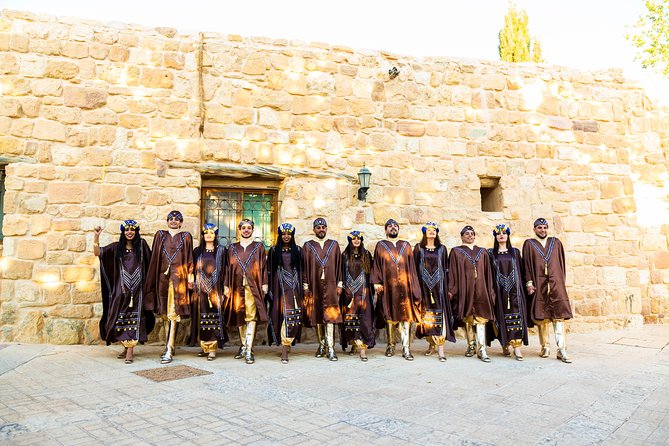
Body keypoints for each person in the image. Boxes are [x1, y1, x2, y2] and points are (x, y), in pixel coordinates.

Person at [94, 220, 153, 364]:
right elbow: (98, 253)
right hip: (121, 291)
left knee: (134, 318)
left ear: (136, 231)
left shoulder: (141, 245)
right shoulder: (116, 248)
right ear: (123, 232)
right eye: (126, 230)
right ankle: (126, 347)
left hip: (138, 291)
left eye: (132, 230)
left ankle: (130, 351)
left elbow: (151, 262)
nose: (129, 232)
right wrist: (96, 236)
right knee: (120, 318)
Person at [145, 210, 194, 364]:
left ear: (180, 222)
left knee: (174, 312)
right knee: (164, 313)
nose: (173, 221)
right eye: (170, 219)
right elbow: (154, 258)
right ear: (167, 221)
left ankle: (169, 347)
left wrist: (190, 276)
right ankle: (170, 345)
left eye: (176, 219)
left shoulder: (185, 236)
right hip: (162, 279)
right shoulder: (160, 235)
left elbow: (189, 257)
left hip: (178, 280)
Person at [522, 218, 573, 363]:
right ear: (534, 229)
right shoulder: (529, 244)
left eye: (545, 227)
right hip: (539, 284)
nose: (542, 230)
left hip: (556, 284)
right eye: (539, 228)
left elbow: (561, 263)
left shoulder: (556, 243)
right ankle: (545, 346)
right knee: (542, 317)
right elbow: (526, 265)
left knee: (559, 317)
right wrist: (529, 283)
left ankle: (561, 349)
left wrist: (561, 281)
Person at [371, 219, 422, 361]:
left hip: (405, 287)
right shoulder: (381, 245)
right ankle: (390, 345)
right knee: (389, 316)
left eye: (395, 226)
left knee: (406, 317)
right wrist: (376, 283)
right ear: (385, 230)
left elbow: (412, 267)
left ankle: (406, 348)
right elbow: (376, 265)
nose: (393, 228)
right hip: (388, 287)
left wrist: (414, 286)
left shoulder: (406, 245)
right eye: (390, 226)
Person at [448, 225, 496, 363]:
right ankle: (471, 345)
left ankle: (482, 349)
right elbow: (452, 272)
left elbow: (488, 274)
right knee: (468, 318)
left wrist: (490, 290)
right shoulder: (456, 252)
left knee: (481, 318)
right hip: (465, 290)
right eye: (466, 233)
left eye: (472, 233)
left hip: (481, 290)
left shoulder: (482, 252)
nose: (470, 235)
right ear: (461, 236)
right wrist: (452, 290)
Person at [224, 218, 268, 365]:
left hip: (253, 286)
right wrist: (226, 285)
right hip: (236, 286)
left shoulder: (258, 247)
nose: (246, 230)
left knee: (251, 316)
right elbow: (227, 268)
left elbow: (263, 266)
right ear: (239, 230)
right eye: (244, 228)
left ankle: (249, 349)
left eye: (249, 227)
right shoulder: (232, 247)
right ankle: (243, 345)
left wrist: (265, 283)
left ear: (252, 230)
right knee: (240, 315)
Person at [302, 218, 343, 361]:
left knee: (330, 316)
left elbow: (339, 265)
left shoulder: (334, 245)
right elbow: (305, 267)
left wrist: (340, 284)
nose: (321, 229)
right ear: (314, 230)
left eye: (323, 227)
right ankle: (322, 344)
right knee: (318, 315)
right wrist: (306, 285)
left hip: (331, 285)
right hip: (315, 286)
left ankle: (331, 348)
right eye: (318, 227)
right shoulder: (308, 246)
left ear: (326, 229)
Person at [414, 222, 455, 362]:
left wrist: (449, 288)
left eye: (434, 230)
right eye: (429, 230)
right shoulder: (419, 248)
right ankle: (431, 344)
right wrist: (416, 288)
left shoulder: (442, 249)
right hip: (424, 287)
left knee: (440, 316)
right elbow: (414, 268)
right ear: (425, 233)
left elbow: (447, 269)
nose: (432, 232)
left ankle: (441, 349)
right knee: (426, 318)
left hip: (440, 288)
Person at [487, 224, 529, 361]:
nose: (501, 235)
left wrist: (527, 285)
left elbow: (523, 271)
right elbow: (489, 273)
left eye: (504, 233)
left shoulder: (515, 252)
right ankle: (505, 344)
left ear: (508, 235)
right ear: (495, 236)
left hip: (515, 290)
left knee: (516, 317)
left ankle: (517, 347)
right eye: (498, 233)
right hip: (500, 291)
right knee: (501, 317)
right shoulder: (491, 254)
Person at [267, 223, 304, 364]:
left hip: (294, 288)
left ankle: (287, 343)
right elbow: (270, 271)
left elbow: (302, 270)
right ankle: (284, 347)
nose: (286, 236)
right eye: (284, 234)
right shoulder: (274, 250)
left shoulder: (298, 251)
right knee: (281, 315)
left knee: (293, 315)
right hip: (279, 288)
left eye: (289, 234)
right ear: (280, 235)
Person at [192, 223, 227, 361]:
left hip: (216, 288)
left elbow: (226, 270)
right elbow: (192, 269)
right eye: (206, 233)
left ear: (215, 235)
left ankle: (212, 348)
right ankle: (204, 346)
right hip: (200, 290)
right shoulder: (197, 251)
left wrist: (225, 287)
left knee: (214, 317)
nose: (209, 235)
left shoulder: (222, 251)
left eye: (212, 233)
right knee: (202, 318)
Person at [340, 230, 376, 362]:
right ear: (350, 241)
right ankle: (354, 345)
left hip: (363, 292)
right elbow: (341, 273)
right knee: (351, 321)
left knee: (365, 321)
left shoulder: (366, 254)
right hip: (349, 293)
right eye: (354, 239)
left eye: (359, 239)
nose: (356, 241)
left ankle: (363, 350)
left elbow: (370, 272)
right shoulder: (344, 256)